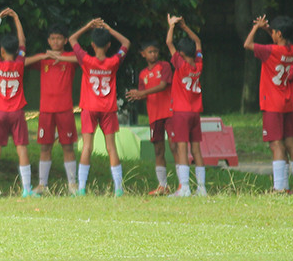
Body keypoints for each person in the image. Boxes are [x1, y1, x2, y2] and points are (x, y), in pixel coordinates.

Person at [69, 17, 130, 196]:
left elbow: (72, 39)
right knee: (111, 147)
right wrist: (110, 29)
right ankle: (118, 188)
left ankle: (81, 188)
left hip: (89, 107)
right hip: (108, 108)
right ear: (109, 45)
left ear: (92, 45)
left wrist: (87, 26)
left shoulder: (86, 60)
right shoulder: (114, 62)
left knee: (87, 147)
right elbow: (126, 43)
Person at [244, 15, 293, 193]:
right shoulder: (290, 50)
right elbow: (278, 37)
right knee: (290, 142)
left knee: (276, 144)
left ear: (278, 34)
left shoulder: (270, 51)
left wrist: (256, 27)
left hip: (272, 104)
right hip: (287, 102)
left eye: (274, 32)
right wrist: (267, 28)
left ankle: (279, 187)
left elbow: (247, 44)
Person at [0, 7, 34, 198]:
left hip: (0, 112)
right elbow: (23, 41)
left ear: (2, 50)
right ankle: (27, 189)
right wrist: (16, 18)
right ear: (17, 50)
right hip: (17, 112)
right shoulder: (20, 63)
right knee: (21, 148)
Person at [25, 25, 79, 195]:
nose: (56, 42)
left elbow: (83, 59)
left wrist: (60, 57)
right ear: (48, 41)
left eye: (59, 38)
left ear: (65, 40)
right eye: (53, 38)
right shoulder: (44, 59)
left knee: (68, 147)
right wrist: (44, 55)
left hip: (65, 109)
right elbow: (21, 63)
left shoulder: (69, 57)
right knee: (45, 147)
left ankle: (72, 185)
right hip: (46, 110)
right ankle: (42, 185)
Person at [165, 14, 206, 197]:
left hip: (180, 112)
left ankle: (184, 188)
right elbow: (198, 41)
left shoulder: (180, 65)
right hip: (195, 112)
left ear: (180, 54)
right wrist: (185, 26)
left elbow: (168, 42)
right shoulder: (199, 65)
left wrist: (172, 26)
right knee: (196, 149)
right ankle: (201, 188)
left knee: (182, 148)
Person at [125, 40, 173, 195]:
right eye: (150, 52)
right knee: (158, 150)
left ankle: (183, 185)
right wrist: (135, 95)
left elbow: (163, 85)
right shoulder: (142, 74)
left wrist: (142, 93)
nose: (153, 54)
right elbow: (142, 94)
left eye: (156, 51)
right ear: (143, 54)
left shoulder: (164, 66)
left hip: (170, 113)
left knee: (175, 147)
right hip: (154, 116)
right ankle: (163, 185)